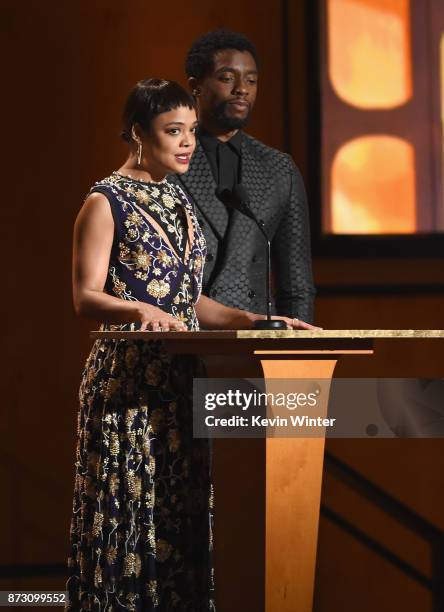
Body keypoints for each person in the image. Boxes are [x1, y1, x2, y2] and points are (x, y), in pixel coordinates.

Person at [67, 78, 315, 612]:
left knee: (178, 524)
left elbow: (190, 302)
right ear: (138, 133)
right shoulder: (104, 201)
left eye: (192, 131)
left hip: (181, 383)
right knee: (130, 523)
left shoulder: (178, 198)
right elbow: (86, 297)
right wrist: (139, 309)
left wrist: (256, 321)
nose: (186, 143)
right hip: (127, 386)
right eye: (172, 131)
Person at [172, 30, 316, 323]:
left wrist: (296, 354)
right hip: (184, 332)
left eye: (251, 80)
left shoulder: (279, 169)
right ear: (195, 86)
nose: (242, 89)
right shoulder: (170, 160)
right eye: (227, 78)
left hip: (256, 340)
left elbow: (297, 284)